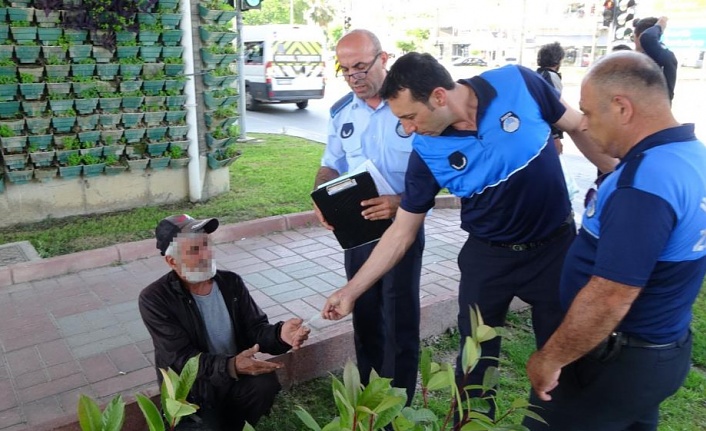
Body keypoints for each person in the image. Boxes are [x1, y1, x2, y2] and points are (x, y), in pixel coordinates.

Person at [321, 52, 616, 417]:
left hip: (555, 249)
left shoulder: (517, 83)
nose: (408, 129)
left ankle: (557, 421)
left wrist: (614, 173)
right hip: (487, 259)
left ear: (439, 97)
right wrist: (351, 290)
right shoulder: (427, 152)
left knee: (564, 353)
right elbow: (401, 232)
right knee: (476, 364)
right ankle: (474, 422)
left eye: (410, 117)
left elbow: (576, 124)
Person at [525, 51, 706, 430]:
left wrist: (551, 358)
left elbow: (611, 295)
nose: (585, 126)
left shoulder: (644, 182)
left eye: (588, 112)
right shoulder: (691, 156)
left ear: (622, 107)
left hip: (613, 362)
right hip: (661, 351)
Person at [312, 29, 424, 405]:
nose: (354, 76)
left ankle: (399, 405)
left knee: (398, 319)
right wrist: (320, 196)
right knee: (364, 313)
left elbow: (439, 173)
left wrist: (400, 202)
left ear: (384, 58)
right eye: (345, 70)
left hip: (402, 225)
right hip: (358, 230)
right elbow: (330, 164)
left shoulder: (410, 104)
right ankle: (368, 399)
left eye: (361, 66)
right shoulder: (342, 111)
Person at [139, 214, 310, 431]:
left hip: (232, 376)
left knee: (264, 385)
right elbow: (181, 359)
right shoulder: (155, 299)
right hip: (192, 390)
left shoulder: (231, 282)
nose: (206, 254)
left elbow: (255, 329)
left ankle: (235, 424)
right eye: (194, 250)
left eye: (206, 245)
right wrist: (232, 365)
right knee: (207, 427)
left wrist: (280, 335)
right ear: (172, 261)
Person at [633, 16, 678, 101]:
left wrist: (661, 24)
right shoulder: (632, 60)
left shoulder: (662, 59)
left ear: (637, 37)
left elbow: (648, 37)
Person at [536, 42, 566, 155]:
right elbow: (553, 108)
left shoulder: (538, 74)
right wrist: (555, 136)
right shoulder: (551, 77)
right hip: (546, 132)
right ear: (558, 60)